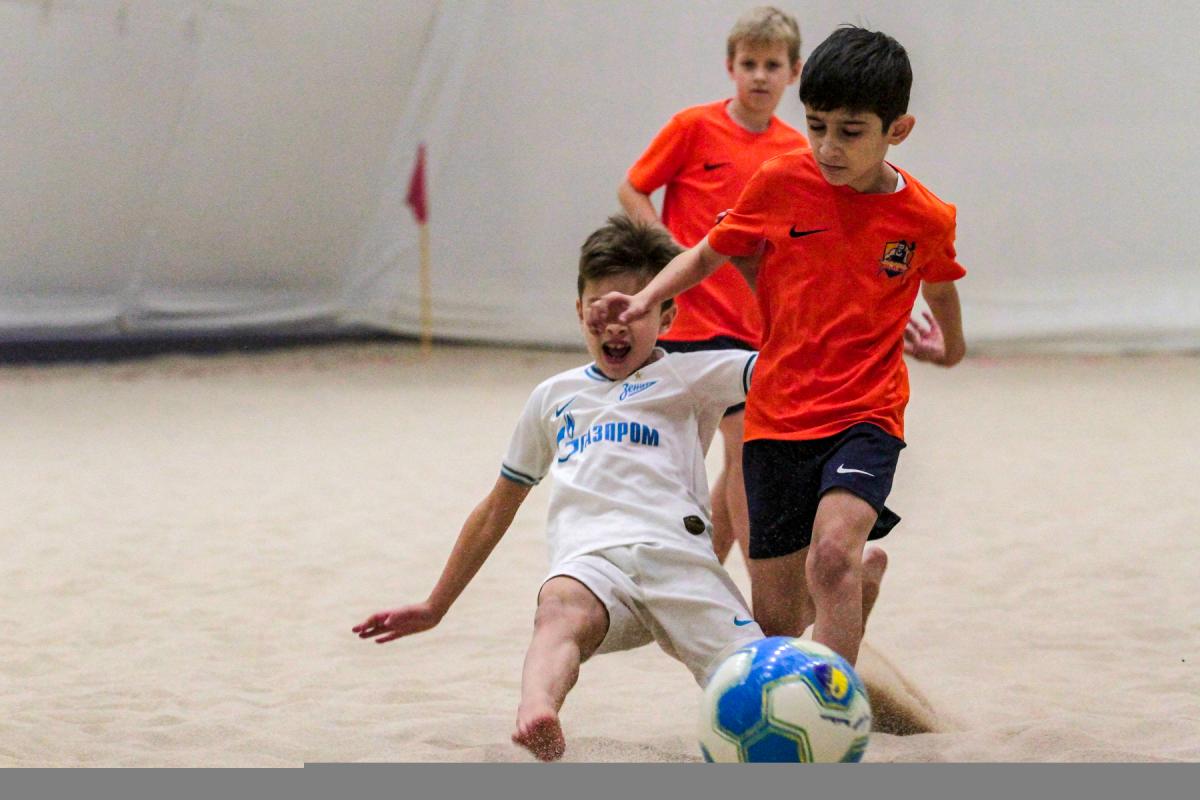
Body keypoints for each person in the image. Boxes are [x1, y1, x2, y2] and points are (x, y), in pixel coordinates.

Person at [587, 27, 967, 668]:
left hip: (866, 412)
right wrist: (647, 297)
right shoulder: (780, 180)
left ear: (897, 131)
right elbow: (707, 253)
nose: (828, 147)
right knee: (779, 622)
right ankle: (857, 587)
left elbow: (942, 287)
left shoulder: (925, 217)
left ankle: (834, 701)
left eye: (850, 132)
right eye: (816, 126)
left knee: (831, 554)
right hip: (778, 413)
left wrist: (951, 349)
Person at [353, 216, 770, 762]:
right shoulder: (553, 397)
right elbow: (496, 508)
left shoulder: (694, 376)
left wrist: (753, 270)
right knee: (557, 608)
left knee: (762, 689)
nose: (614, 324)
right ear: (578, 311)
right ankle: (538, 709)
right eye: (600, 308)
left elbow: (791, 360)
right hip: (592, 565)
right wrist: (437, 604)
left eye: (632, 308)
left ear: (667, 314)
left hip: (681, 563)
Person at [618, 6, 807, 564]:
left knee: (742, 456)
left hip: (753, 327)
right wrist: (668, 249)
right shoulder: (692, 127)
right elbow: (633, 188)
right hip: (688, 322)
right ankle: (736, 577)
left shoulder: (796, 151)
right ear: (730, 66)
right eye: (749, 63)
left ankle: (731, 576)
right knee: (713, 455)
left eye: (772, 65)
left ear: (794, 72)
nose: (760, 76)